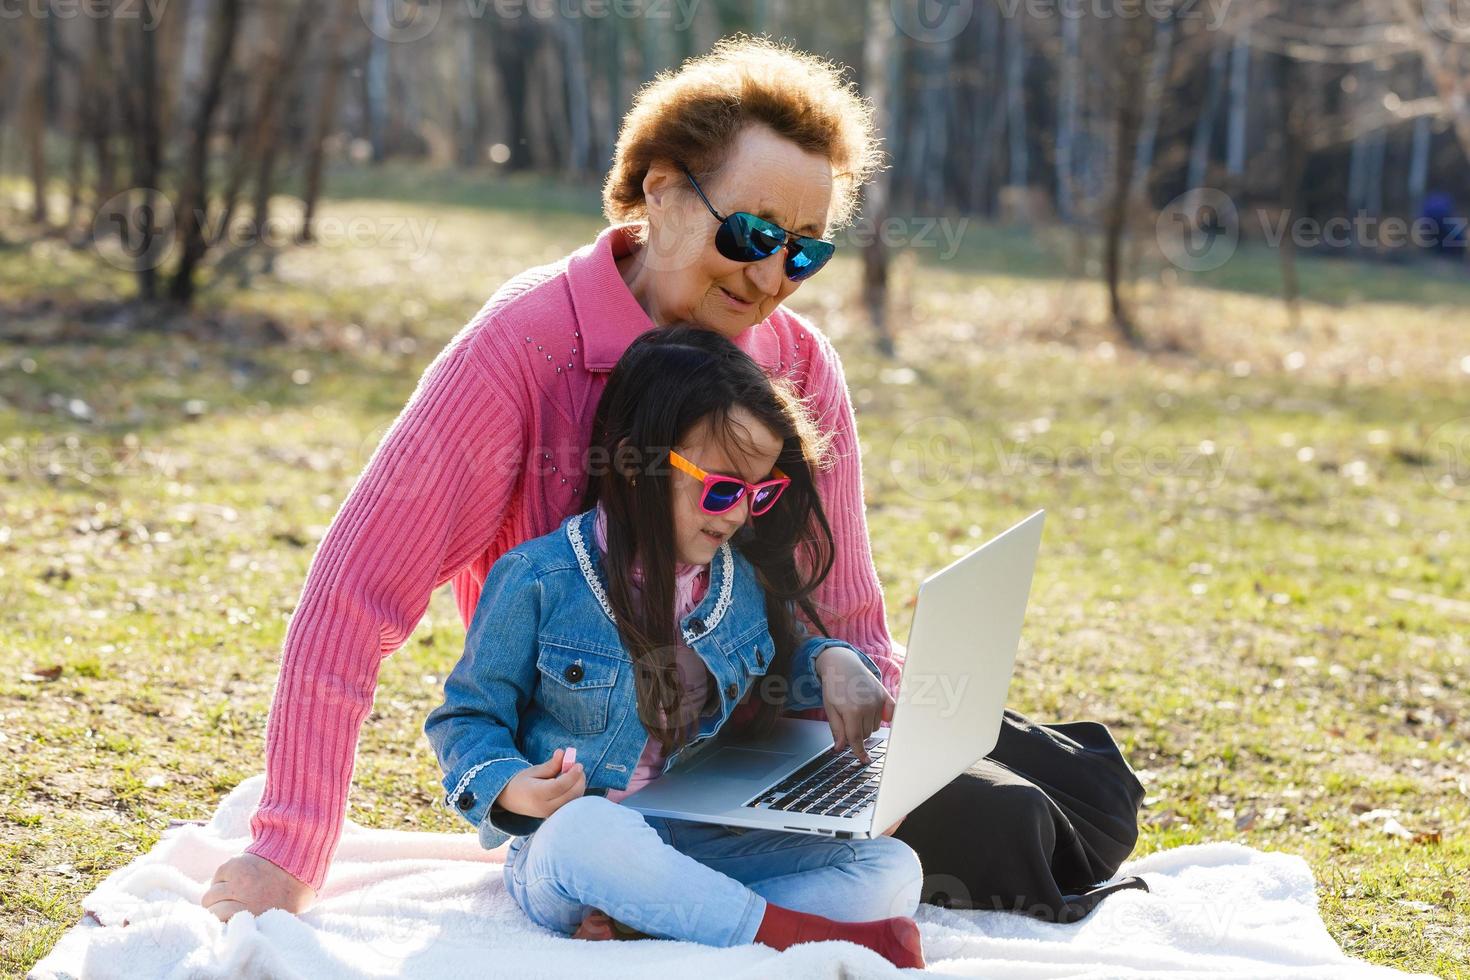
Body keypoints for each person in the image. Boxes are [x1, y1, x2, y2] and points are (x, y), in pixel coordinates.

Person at [202, 35, 1144, 925]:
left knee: (1077, 800)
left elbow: (841, 603)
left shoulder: (799, 364)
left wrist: (880, 722)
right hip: (604, 767)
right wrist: (289, 849)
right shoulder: (525, 351)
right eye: (751, 231)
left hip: (767, 719)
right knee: (1007, 829)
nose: (773, 274)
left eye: (805, 250)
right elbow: (355, 592)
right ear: (661, 193)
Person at [424, 326, 924, 967]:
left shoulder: (735, 579)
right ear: (634, 466)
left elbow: (777, 659)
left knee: (891, 867)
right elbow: (466, 717)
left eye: (758, 492)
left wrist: (833, 660)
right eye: (721, 489)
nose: (738, 515)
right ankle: (785, 935)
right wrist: (511, 787)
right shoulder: (539, 579)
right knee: (586, 830)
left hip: (695, 839)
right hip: (570, 852)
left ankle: (660, 920)